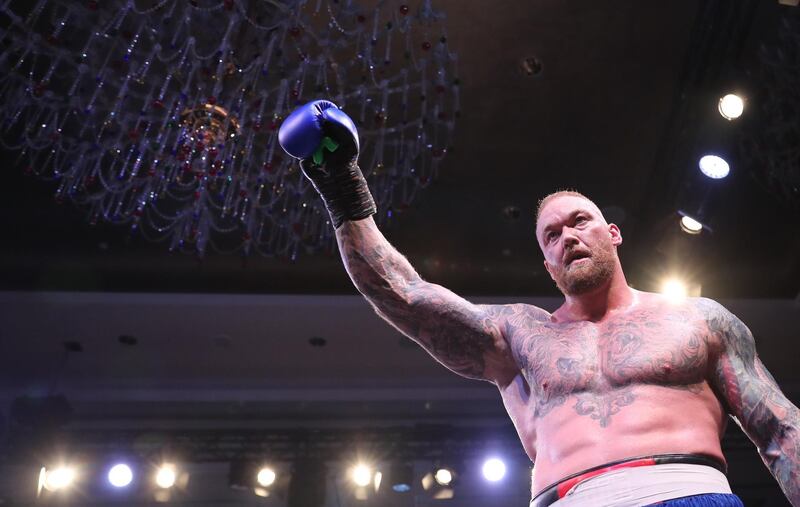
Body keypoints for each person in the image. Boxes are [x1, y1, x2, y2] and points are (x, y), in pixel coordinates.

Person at [278, 100, 800, 507]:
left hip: (687, 492)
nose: (567, 236)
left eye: (580, 221)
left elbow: (780, 430)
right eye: (551, 235)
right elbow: (407, 296)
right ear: (547, 265)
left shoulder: (698, 319)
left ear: (613, 234)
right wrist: (342, 187)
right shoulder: (520, 334)